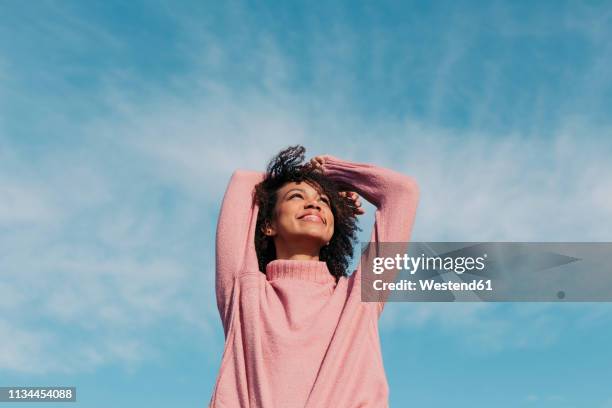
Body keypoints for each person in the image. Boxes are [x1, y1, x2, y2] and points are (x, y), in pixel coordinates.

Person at [209, 145, 420, 407]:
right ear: (268, 224)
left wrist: (333, 172)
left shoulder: (359, 297)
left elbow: (401, 192)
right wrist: (303, 176)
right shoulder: (243, 290)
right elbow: (244, 180)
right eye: (296, 196)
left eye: (324, 201)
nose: (313, 203)